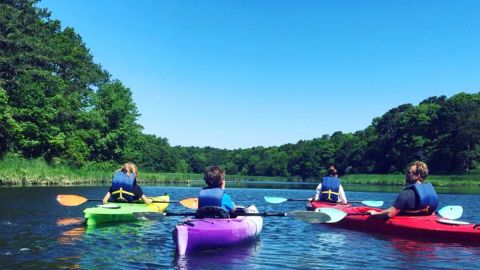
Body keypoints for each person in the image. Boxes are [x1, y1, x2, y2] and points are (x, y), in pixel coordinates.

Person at [368, 161, 438, 219]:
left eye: (409, 172)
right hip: (425, 220)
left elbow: (389, 214)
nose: (406, 174)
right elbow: (432, 212)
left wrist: (375, 214)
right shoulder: (430, 192)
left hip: (408, 223)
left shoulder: (406, 194)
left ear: (417, 176)